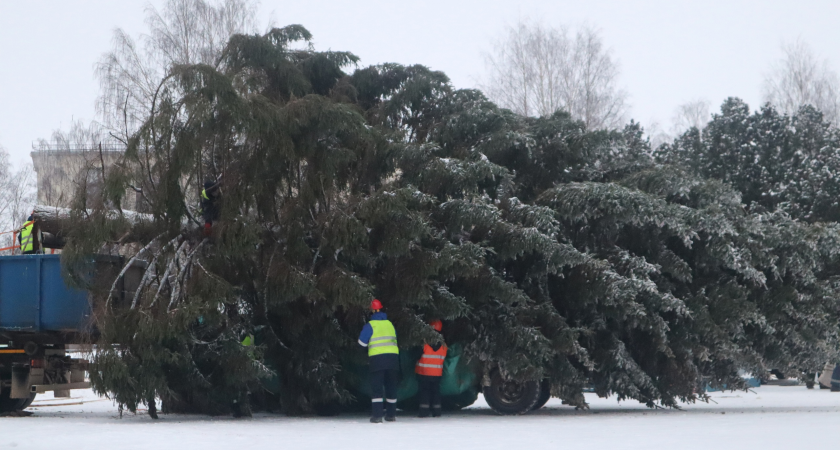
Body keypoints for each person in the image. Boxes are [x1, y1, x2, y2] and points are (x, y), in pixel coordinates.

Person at [358, 299, 399, 423]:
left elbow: (361, 343)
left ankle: (377, 416)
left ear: (372, 311)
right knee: (391, 387)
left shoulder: (370, 325)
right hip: (393, 359)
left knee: (377, 388)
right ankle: (391, 415)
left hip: (377, 360)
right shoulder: (390, 324)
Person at [415, 319, 447, 418]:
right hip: (437, 373)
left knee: (424, 392)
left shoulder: (424, 342)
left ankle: (423, 412)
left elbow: (416, 355)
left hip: (423, 373)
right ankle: (437, 412)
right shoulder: (444, 345)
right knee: (436, 392)